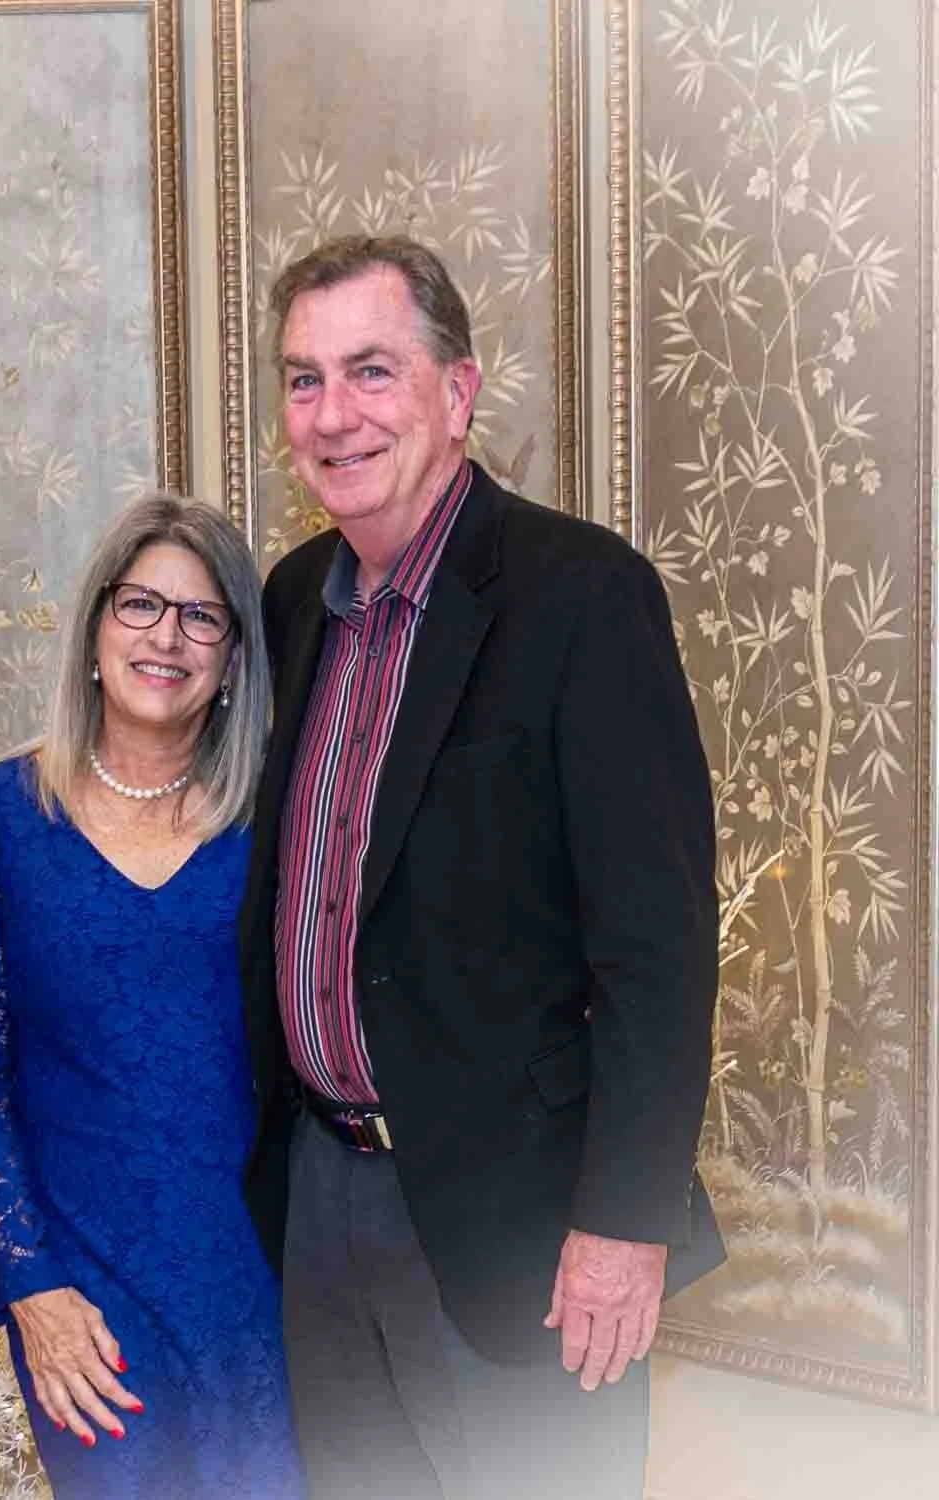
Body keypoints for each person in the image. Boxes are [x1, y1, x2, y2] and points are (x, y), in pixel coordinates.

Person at [238, 234, 724, 1499]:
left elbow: (655, 946)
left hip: (523, 1219)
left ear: (455, 394)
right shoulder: (295, 600)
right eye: (301, 379)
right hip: (322, 1196)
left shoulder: (581, 596)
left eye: (368, 371)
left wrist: (624, 1226)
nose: (332, 415)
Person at [0, 495, 305, 1498]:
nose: (164, 637)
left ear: (231, 660)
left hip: (262, 1278)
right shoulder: (1, 812)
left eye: (200, 616)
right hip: (80, 1286)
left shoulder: (277, 816)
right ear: (94, 628)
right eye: (138, 605)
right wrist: (31, 1287)